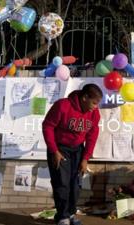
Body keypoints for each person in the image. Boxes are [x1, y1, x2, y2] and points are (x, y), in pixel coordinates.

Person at [42, 83, 103, 225]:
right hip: (60, 148)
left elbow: (92, 135)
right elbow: (48, 126)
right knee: (61, 183)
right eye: (94, 102)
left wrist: (85, 158)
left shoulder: (94, 113)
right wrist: (54, 151)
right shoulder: (63, 105)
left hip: (78, 149)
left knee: (75, 184)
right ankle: (62, 216)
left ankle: (69, 214)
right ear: (84, 97)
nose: (95, 106)